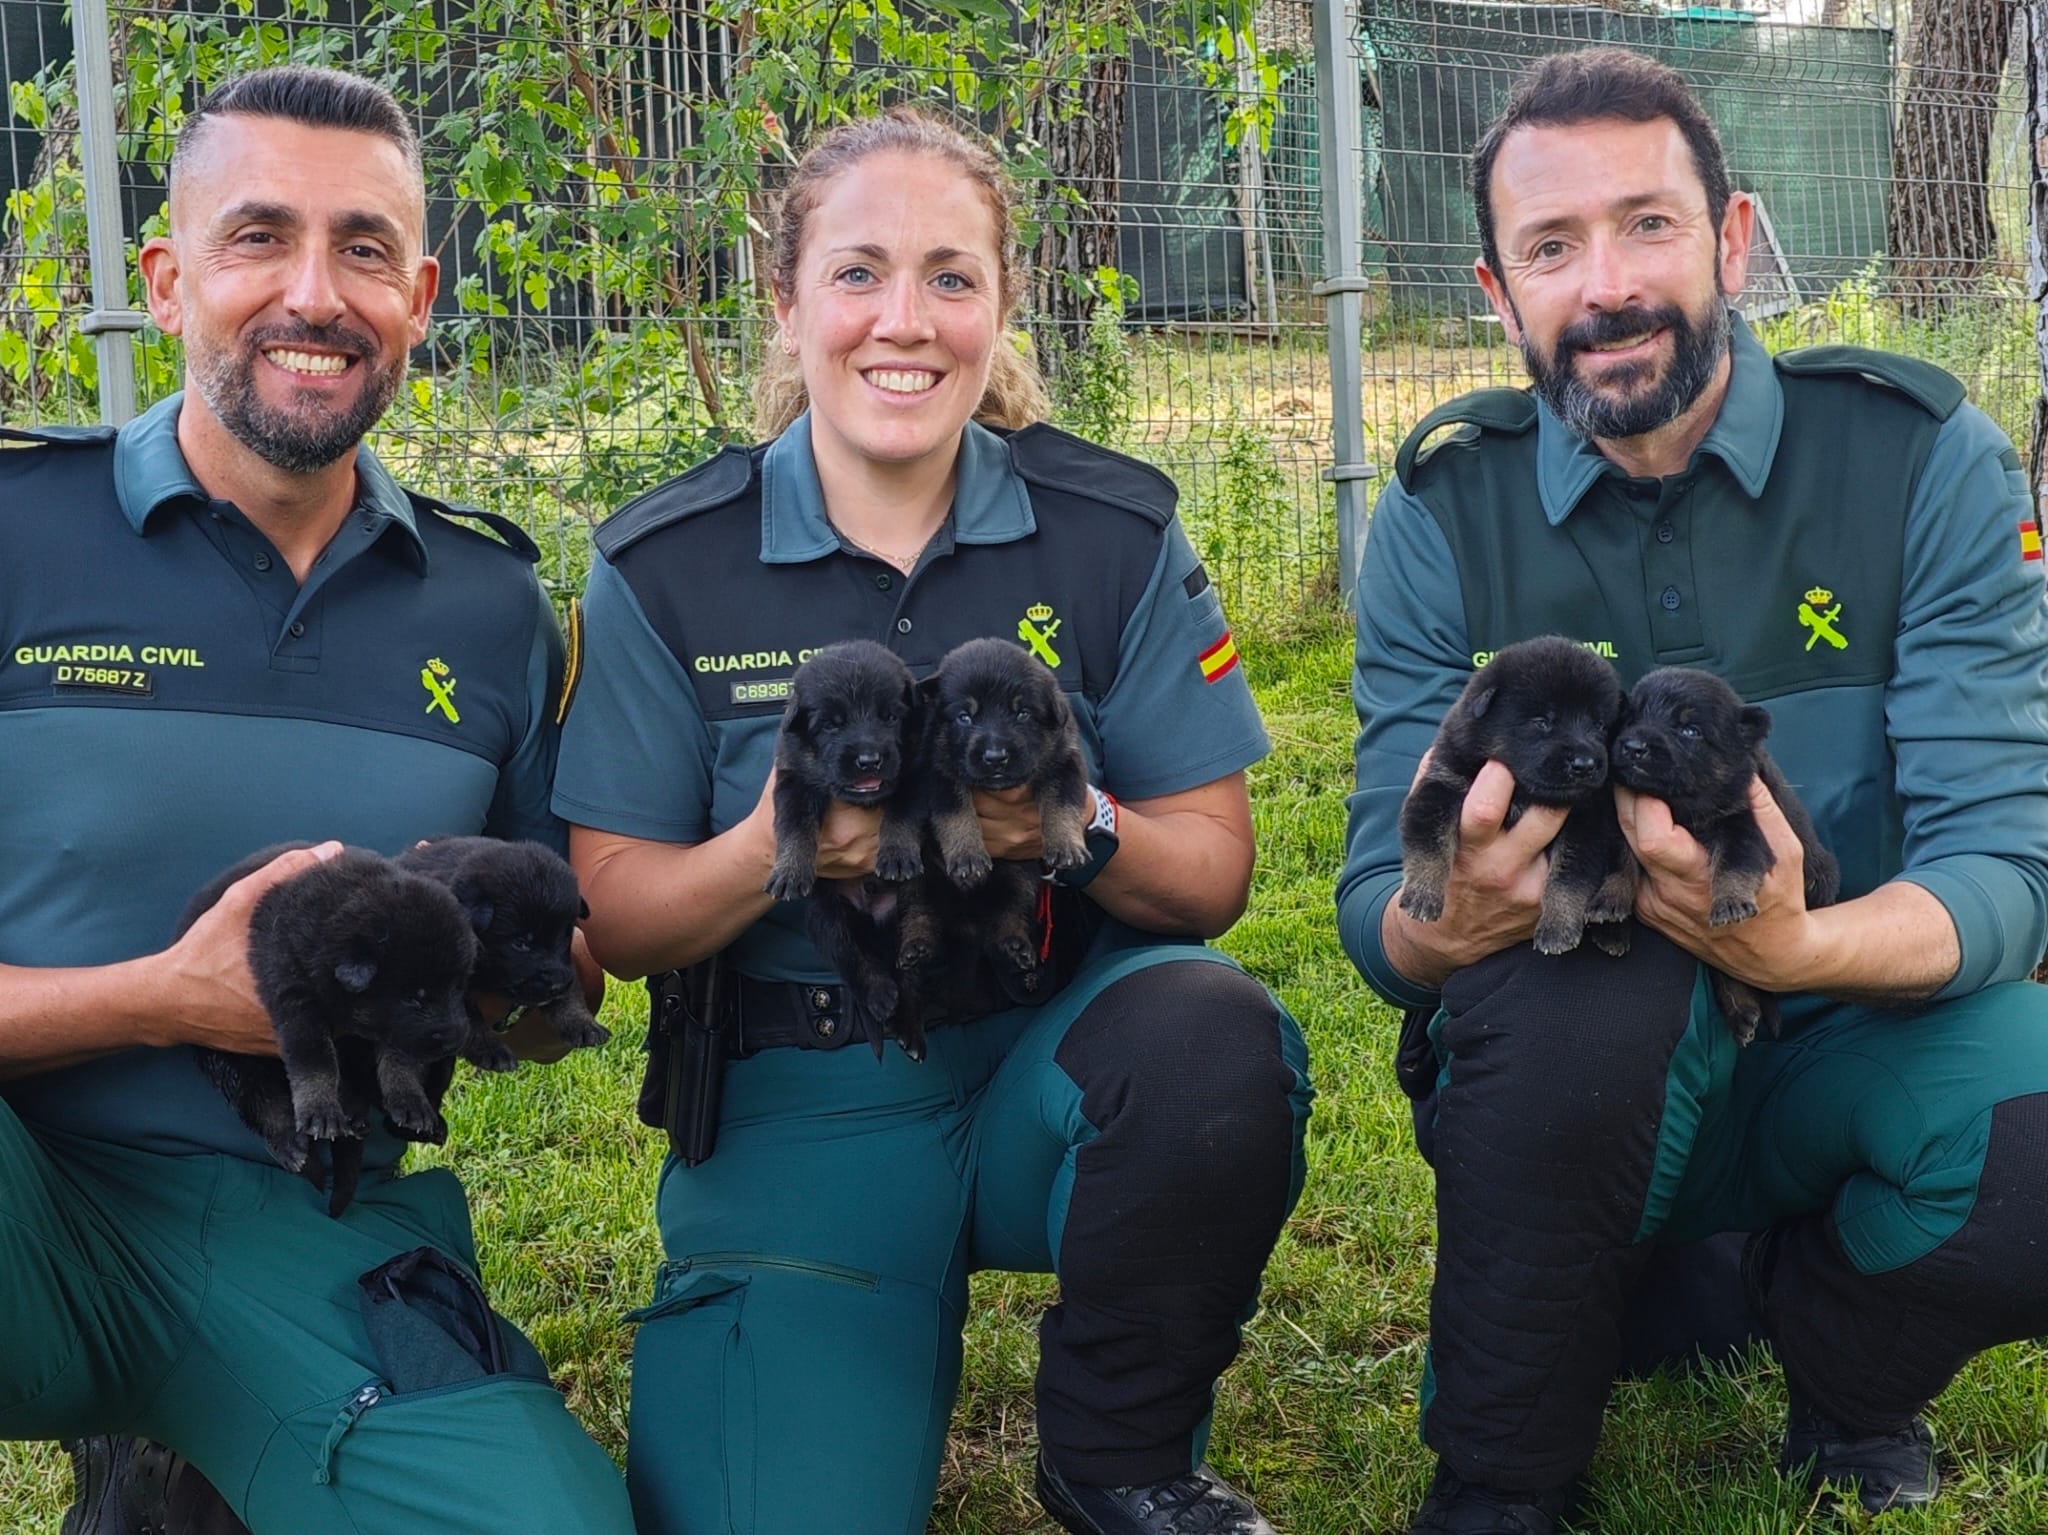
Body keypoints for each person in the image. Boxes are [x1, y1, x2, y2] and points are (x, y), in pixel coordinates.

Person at [555, 107, 1315, 1535]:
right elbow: (624, 916)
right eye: (857, 274)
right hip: (804, 1104)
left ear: (1002, 305)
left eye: (951, 277)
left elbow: (1212, 873)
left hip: (1056, 1054)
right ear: (784, 301)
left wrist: (1060, 826)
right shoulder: (666, 565)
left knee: (1215, 1039)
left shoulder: (1114, 535)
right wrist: (800, 845)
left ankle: (1122, 1453)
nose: (903, 322)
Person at [1337, 46, 2048, 1535]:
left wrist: (1799, 950)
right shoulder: (1438, 510)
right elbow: (1369, 913)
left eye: (1647, 223)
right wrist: (1444, 918)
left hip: (1849, 1035)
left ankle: (1844, 1364)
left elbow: (2010, 863)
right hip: (1580, 1066)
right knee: (1566, 979)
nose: (1606, 285)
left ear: (1731, 238)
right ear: (1497, 290)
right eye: (1552, 245)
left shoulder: (1921, 461)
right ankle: (1506, 1480)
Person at [0, 66, 635, 1535]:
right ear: (167, 281)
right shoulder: (20, 537)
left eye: (361, 250)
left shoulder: (489, 606)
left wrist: (506, 992)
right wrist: (165, 996)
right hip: (31, 1208)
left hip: (309, 1218)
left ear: (417, 295)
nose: (313, 294)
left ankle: (192, 1455)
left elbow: (559, 980)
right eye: (257, 237)